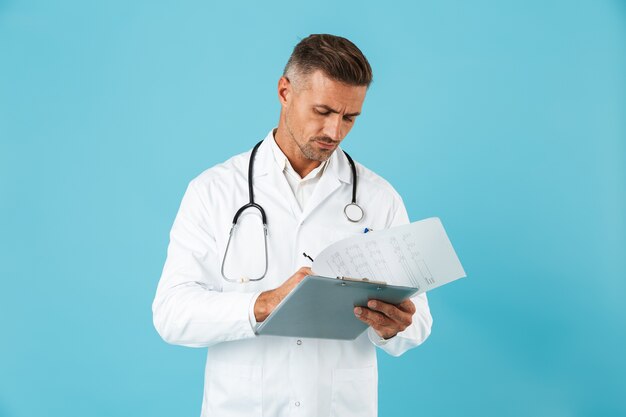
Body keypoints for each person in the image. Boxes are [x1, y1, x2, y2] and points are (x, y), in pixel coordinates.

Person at [152, 34, 433, 417]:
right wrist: (263, 303)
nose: (335, 132)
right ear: (285, 91)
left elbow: (418, 324)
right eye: (323, 111)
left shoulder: (379, 199)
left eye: (349, 118)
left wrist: (394, 326)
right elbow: (172, 314)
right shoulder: (213, 190)